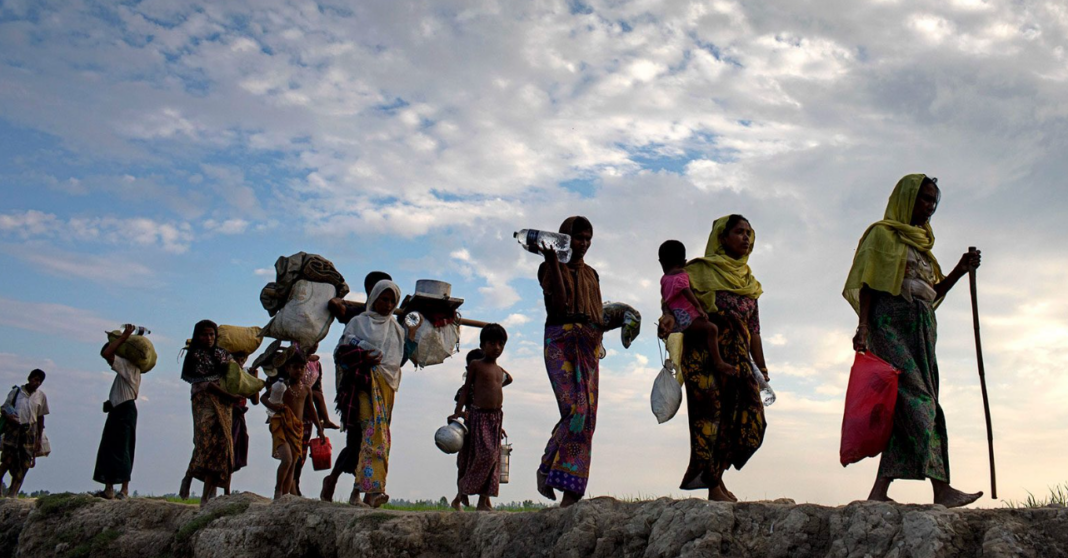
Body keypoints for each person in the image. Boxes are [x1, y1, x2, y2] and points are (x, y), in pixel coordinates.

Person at [844, 174, 983, 508]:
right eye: (924, 199)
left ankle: (880, 492)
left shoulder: (921, 244)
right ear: (906, 199)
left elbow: (932, 293)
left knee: (906, 406)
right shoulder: (881, 235)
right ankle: (941, 488)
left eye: (934, 201)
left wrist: (960, 269)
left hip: (922, 329)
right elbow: (868, 283)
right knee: (921, 403)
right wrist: (863, 327)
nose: (929, 207)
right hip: (890, 324)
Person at [661, 214, 768, 502]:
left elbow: (754, 330)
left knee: (750, 420)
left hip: (739, 361)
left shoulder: (749, 282)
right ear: (722, 237)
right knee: (710, 419)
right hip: (704, 355)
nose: (746, 238)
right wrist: (667, 319)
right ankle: (713, 485)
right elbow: (672, 301)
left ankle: (716, 476)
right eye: (738, 232)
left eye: (749, 232)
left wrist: (762, 367)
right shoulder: (697, 271)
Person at [536, 216, 603, 508]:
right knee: (575, 410)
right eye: (579, 238)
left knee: (586, 417)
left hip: (587, 342)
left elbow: (598, 314)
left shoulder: (592, 274)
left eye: (588, 239)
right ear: (565, 238)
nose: (584, 244)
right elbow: (560, 304)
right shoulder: (547, 268)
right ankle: (548, 467)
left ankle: (571, 492)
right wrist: (553, 262)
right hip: (560, 340)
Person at [321, 279, 406, 508]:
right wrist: (363, 358)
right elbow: (341, 353)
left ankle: (363, 493)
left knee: (377, 440)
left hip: (385, 390)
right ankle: (340, 482)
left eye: (392, 301)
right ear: (374, 298)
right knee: (363, 439)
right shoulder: (358, 323)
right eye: (384, 299)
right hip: (360, 389)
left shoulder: (397, 330)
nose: (388, 305)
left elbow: (398, 362)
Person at [448, 326, 512, 511]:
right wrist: (458, 411)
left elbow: (508, 380)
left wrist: (499, 427)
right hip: (479, 417)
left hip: (495, 418)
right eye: (492, 343)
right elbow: (466, 390)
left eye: (501, 344)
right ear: (482, 345)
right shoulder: (476, 365)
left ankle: (483, 501)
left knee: (494, 461)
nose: (497, 347)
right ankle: (462, 492)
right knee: (485, 456)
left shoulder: (500, 371)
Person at [179, 320, 235, 506]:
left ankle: (206, 496)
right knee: (204, 443)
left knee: (220, 446)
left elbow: (235, 374)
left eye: (212, 334)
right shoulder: (194, 355)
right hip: (204, 403)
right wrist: (228, 394)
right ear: (197, 336)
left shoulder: (222, 354)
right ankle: (188, 477)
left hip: (224, 405)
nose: (209, 338)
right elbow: (204, 383)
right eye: (204, 334)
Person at [658, 239, 734, 377]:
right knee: (712, 329)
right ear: (684, 261)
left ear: (661, 261)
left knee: (703, 332)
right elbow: (687, 291)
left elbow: (665, 299)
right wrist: (699, 307)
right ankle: (718, 361)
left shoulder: (664, 279)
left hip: (676, 316)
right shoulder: (681, 275)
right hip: (686, 315)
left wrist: (668, 315)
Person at [263, 346, 322, 499]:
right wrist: (273, 406)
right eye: (295, 367)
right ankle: (278, 491)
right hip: (281, 425)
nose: (299, 371)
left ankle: (286, 494)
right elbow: (264, 398)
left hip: (297, 429)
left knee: (293, 463)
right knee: (287, 459)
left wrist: (320, 429)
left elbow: (311, 410)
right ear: (288, 368)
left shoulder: (306, 390)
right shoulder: (281, 386)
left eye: (302, 367)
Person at [93, 324, 142, 499]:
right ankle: (110, 489)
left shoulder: (128, 366)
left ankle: (123, 490)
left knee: (122, 449)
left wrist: (124, 337)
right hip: (119, 410)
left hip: (124, 411)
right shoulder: (128, 369)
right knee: (111, 448)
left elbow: (106, 353)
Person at [0, 369, 48, 498]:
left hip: (29, 432)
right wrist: (10, 417)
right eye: (35, 379)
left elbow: (41, 417)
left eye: (39, 381)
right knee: (7, 459)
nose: (37, 383)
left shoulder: (40, 396)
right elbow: (4, 408)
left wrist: (38, 438)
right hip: (14, 429)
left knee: (25, 463)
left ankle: (13, 493)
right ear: (29, 378)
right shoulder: (16, 392)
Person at [448, 348, 484, 510]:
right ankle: (459, 497)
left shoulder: (488, 387)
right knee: (464, 465)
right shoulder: (465, 390)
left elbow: (508, 379)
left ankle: (482, 500)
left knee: (484, 463)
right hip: (468, 431)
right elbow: (459, 410)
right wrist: (461, 414)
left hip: (484, 431)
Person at [291, 342, 327, 495]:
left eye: (317, 342)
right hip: (290, 415)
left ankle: (295, 486)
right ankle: (287, 488)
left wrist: (320, 422)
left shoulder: (316, 364)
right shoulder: (291, 359)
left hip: (307, 417)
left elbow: (317, 391)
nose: (314, 345)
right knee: (290, 455)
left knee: (301, 454)